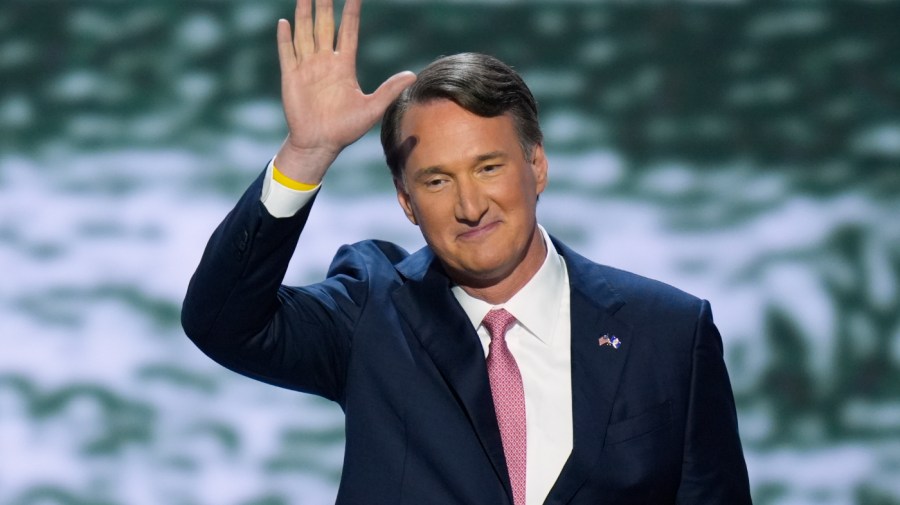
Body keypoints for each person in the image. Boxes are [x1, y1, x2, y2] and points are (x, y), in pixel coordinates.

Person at [181, 0, 752, 503]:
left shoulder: (669, 332)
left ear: (537, 165)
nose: (470, 205)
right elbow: (222, 322)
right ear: (405, 201)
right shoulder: (372, 315)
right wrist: (307, 154)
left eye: (489, 167)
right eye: (436, 181)